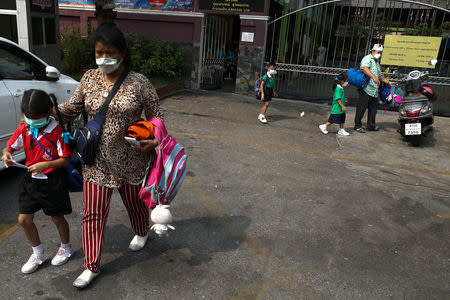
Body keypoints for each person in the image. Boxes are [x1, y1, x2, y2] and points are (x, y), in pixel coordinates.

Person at [58, 23, 162, 288]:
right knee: (92, 213)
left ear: (123, 53)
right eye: (99, 52)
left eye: (109, 52)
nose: (104, 58)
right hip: (96, 161)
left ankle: (142, 230)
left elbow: (156, 116)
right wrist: (46, 111)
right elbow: (72, 108)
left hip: (130, 159)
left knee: (135, 204)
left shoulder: (139, 83)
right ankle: (91, 265)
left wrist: (153, 140)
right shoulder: (89, 78)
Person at [1, 90, 74, 274]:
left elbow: (65, 159)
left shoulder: (57, 131)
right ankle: (38, 252)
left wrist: (46, 164)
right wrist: (6, 154)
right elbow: (9, 146)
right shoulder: (25, 128)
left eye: (35, 117)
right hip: (30, 181)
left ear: (49, 112)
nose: (31, 120)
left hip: (52, 181)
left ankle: (65, 247)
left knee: (57, 217)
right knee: (24, 219)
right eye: (28, 116)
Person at [354, 44, 394, 133]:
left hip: (374, 90)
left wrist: (388, 82)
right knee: (362, 108)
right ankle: (357, 126)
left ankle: (371, 125)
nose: (379, 54)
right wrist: (373, 77)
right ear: (372, 51)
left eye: (381, 53)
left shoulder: (376, 62)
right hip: (366, 88)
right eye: (378, 52)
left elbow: (380, 75)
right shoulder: (367, 58)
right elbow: (364, 68)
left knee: (373, 108)